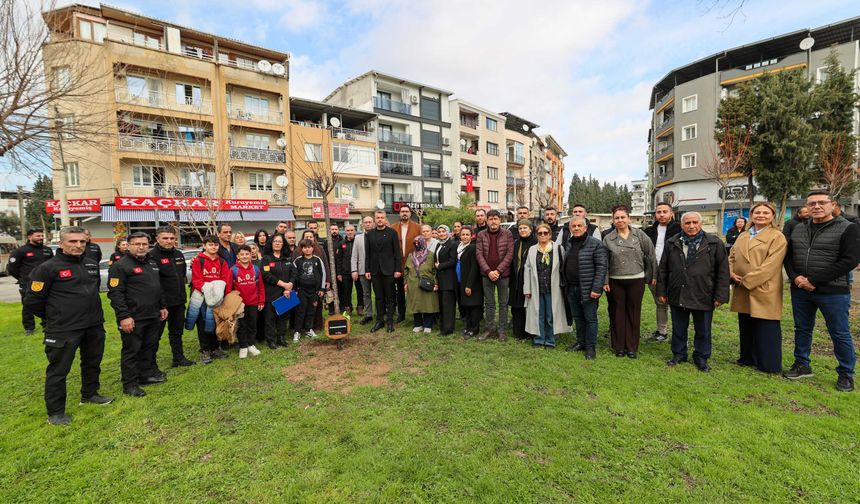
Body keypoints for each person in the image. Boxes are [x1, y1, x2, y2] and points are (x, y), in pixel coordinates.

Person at [24, 226, 111, 425]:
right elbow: (33, 300)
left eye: (82, 241)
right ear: (61, 243)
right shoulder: (47, 268)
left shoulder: (90, 264)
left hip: (93, 325)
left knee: (92, 363)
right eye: (73, 241)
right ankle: (55, 413)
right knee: (58, 371)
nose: (78, 245)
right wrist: (53, 317)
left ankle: (90, 395)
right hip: (64, 328)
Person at [783, 190, 860, 392]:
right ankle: (802, 364)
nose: (816, 206)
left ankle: (846, 374)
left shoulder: (848, 228)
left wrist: (814, 281)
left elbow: (850, 260)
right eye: (812, 203)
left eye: (821, 203)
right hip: (800, 290)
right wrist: (796, 278)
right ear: (806, 206)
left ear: (832, 204)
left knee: (839, 332)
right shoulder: (798, 228)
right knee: (802, 329)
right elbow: (788, 257)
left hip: (833, 291)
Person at [658, 212, 729, 372]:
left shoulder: (714, 243)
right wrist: (661, 291)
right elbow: (663, 268)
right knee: (678, 327)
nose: (691, 226)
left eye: (694, 222)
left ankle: (701, 357)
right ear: (682, 225)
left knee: (703, 329)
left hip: (704, 293)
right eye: (687, 223)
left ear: (701, 223)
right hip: (678, 291)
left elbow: (723, 271)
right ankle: (678, 354)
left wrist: (721, 295)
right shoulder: (672, 242)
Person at [107, 232, 168, 397]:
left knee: (149, 347)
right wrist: (123, 316)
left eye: (144, 244)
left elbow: (157, 287)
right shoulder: (120, 266)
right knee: (132, 351)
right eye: (136, 244)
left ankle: (145, 375)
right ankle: (130, 384)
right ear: (128, 245)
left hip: (153, 314)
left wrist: (162, 306)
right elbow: (116, 294)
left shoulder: (151, 262)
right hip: (133, 317)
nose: (141, 247)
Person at [729, 202, 787, 374]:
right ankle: (747, 358)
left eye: (765, 212)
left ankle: (768, 364)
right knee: (746, 324)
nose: (761, 215)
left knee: (766, 326)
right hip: (741, 286)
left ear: (772, 216)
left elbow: (771, 265)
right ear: (751, 215)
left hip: (763, 286)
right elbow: (732, 256)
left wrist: (747, 280)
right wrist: (731, 274)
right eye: (757, 212)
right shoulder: (743, 235)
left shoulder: (777, 237)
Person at [603, 204, 657, 358]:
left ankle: (632, 346)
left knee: (633, 313)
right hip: (615, 281)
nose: (620, 220)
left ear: (629, 218)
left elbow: (651, 255)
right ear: (613, 220)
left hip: (636, 280)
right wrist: (605, 281)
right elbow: (604, 262)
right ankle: (619, 346)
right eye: (617, 218)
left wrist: (651, 276)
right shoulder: (608, 238)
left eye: (622, 217)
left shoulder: (640, 235)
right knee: (617, 313)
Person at [148, 226, 193, 368]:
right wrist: (161, 304)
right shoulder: (151, 256)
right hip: (161, 304)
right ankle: (150, 365)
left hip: (178, 301)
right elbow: (153, 283)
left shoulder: (179, 254)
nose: (169, 241)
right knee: (155, 336)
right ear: (157, 239)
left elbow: (182, 276)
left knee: (177, 332)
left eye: (172, 238)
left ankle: (178, 358)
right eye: (165, 238)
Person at [563, 217, 608, 359]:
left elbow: (602, 268)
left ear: (585, 228)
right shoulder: (569, 244)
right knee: (578, 317)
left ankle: (590, 347)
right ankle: (580, 342)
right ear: (570, 229)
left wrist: (596, 288)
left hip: (589, 289)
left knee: (590, 319)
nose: (576, 228)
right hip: (571, 288)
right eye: (573, 226)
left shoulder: (596, 244)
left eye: (579, 226)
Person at [523, 223, 570, 348]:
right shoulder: (532, 250)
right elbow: (526, 270)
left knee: (550, 315)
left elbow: (564, 269)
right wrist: (527, 289)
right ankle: (539, 338)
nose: (543, 235)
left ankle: (550, 339)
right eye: (540, 233)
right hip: (536, 288)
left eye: (545, 233)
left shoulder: (558, 249)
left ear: (550, 235)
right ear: (536, 235)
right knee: (538, 314)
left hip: (553, 288)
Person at [189, 235, 233, 364]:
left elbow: (225, 280)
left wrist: (222, 293)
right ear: (204, 246)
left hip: (218, 298)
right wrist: (208, 291)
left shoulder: (222, 261)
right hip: (203, 298)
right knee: (202, 323)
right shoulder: (198, 260)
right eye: (210, 245)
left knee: (216, 322)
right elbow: (197, 280)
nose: (213, 247)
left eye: (215, 245)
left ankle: (215, 348)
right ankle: (205, 350)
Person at [643, 202, 682, 342]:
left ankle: (680, 334)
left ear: (671, 213)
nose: (661, 214)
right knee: (660, 303)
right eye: (659, 212)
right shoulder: (648, 231)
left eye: (665, 211)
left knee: (677, 305)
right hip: (654, 273)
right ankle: (662, 331)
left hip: (674, 273)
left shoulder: (680, 229)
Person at [475, 209, 514, 341]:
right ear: (487, 220)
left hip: (503, 275)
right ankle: (489, 329)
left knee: (503, 303)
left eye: (495, 218)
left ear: (500, 220)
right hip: (486, 275)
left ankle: (502, 330)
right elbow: (479, 254)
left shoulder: (507, 234)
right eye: (490, 219)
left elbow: (510, 254)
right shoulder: (481, 235)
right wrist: (488, 271)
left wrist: (498, 271)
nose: (493, 221)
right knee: (489, 303)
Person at [8, 227, 53, 336]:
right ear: (29, 237)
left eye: (42, 236)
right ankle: (29, 328)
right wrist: (23, 279)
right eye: (38, 236)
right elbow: (12, 268)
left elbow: (53, 265)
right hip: (27, 283)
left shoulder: (47, 250)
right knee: (28, 304)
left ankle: (46, 324)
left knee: (48, 303)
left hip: (45, 282)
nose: (41, 238)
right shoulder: (20, 251)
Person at [366, 210, 402, 333]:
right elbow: (368, 253)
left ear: (385, 219)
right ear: (375, 219)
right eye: (377, 217)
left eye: (382, 217)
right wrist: (367, 269)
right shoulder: (370, 234)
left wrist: (398, 269)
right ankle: (379, 321)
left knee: (390, 297)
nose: (380, 219)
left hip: (389, 270)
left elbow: (397, 253)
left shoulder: (392, 233)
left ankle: (390, 321)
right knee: (378, 297)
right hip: (375, 270)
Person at [231, 245, 265, 358]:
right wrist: (231, 304)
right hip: (239, 304)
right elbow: (229, 289)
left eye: (247, 254)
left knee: (252, 324)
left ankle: (251, 344)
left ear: (251, 255)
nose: (245, 256)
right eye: (242, 254)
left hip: (253, 303)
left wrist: (261, 301)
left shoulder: (255, 269)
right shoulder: (233, 270)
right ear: (238, 256)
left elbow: (260, 286)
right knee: (241, 325)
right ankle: (243, 346)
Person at [290, 239, 326, 341]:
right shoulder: (298, 261)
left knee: (311, 311)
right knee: (300, 311)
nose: (307, 249)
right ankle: (297, 331)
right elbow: (293, 275)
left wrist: (322, 289)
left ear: (313, 248)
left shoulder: (317, 260)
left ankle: (309, 329)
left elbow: (323, 274)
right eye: (305, 247)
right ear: (302, 248)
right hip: (301, 291)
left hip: (314, 291)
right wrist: (295, 289)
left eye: (309, 247)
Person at [261, 233, 293, 348]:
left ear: (283, 244)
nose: (278, 243)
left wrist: (290, 285)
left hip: (286, 293)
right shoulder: (266, 258)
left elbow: (293, 273)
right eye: (275, 241)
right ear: (271, 243)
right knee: (270, 318)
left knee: (283, 317)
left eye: (280, 241)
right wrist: (284, 284)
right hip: (271, 293)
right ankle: (271, 340)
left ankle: (281, 338)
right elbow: (266, 275)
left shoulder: (288, 257)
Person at [392, 204, 421, 323]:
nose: (404, 213)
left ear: (410, 213)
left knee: (414, 289)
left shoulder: (417, 227)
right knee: (399, 290)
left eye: (406, 211)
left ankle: (417, 314)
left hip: (413, 263)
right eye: (402, 211)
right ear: (399, 214)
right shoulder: (393, 227)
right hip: (398, 263)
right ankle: (401, 313)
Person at [508, 219, 537, 340]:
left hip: (530, 280)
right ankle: (518, 332)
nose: (522, 230)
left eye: (525, 228)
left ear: (530, 229)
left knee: (530, 307)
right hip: (516, 279)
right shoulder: (516, 243)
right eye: (520, 228)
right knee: (517, 306)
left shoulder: (535, 243)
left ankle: (530, 332)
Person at [404, 236, 439, 333]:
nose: (416, 244)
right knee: (416, 304)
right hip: (413, 283)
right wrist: (405, 282)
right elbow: (406, 269)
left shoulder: (431, 255)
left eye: (418, 242)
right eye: (414, 243)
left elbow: (435, 270)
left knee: (428, 304)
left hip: (427, 282)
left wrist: (436, 282)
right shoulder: (411, 255)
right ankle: (418, 324)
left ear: (423, 243)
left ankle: (428, 325)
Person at [457, 227, 483, 337]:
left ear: (471, 236)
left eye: (467, 234)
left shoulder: (472, 247)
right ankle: (468, 327)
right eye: (463, 234)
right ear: (460, 236)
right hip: (461, 281)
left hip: (472, 282)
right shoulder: (459, 247)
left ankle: (474, 329)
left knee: (474, 307)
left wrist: (469, 285)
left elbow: (474, 267)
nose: (465, 237)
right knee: (466, 306)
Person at [434, 225, 458, 336]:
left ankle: (448, 329)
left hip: (449, 279)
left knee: (448, 305)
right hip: (440, 279)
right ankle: (443, 326)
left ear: (448, 232)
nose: (441, 233)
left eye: (444, 231)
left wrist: (440, 266)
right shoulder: (439, 244)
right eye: (439, 232)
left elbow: (452, 261)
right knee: (442, 304)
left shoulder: (452, 244)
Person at [351, 216, 374, 324]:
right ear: (362, 224)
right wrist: (354, 270)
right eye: (366, 222)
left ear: (373, 223)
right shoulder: (358, 238)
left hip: (376, 270)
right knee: (366, 293)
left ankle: (381, 313)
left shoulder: (377, 236)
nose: (368, 224)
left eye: (370, 222)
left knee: (379, 294)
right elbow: (354, 255)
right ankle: (368, 314)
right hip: (362, 270)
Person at [336, 225, 357, 314]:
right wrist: (339, 273)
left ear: (355, 231)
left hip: (357, 270)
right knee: (347, 291)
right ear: (345, 232)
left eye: (351, 230)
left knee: (360, 290)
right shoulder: (342, 243)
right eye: (348, 230)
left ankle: (360, 306)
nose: (350, 232)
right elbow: (339, 259)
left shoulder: (358, 241)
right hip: (345, 271)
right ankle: (348, 307)